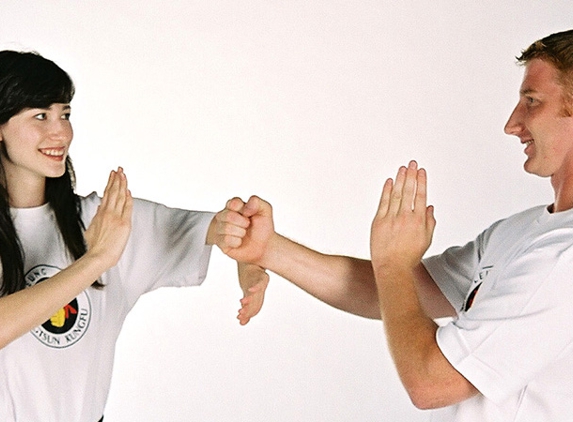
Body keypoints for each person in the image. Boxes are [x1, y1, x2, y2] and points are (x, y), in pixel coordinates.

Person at [216, 29, 573, 421]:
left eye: (531, 101)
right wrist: (270, 249)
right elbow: (389, 293)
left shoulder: (564, 259)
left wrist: (393, 263)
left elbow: (431, 383)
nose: (512, 123)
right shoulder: (522, 232)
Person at [0, 50, 266, 422]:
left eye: (65, 114)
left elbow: (231, 229)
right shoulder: (107, 239)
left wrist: (248, 262)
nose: (60, 131)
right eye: (40, 116)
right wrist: (96, 261)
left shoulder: (106, 218)